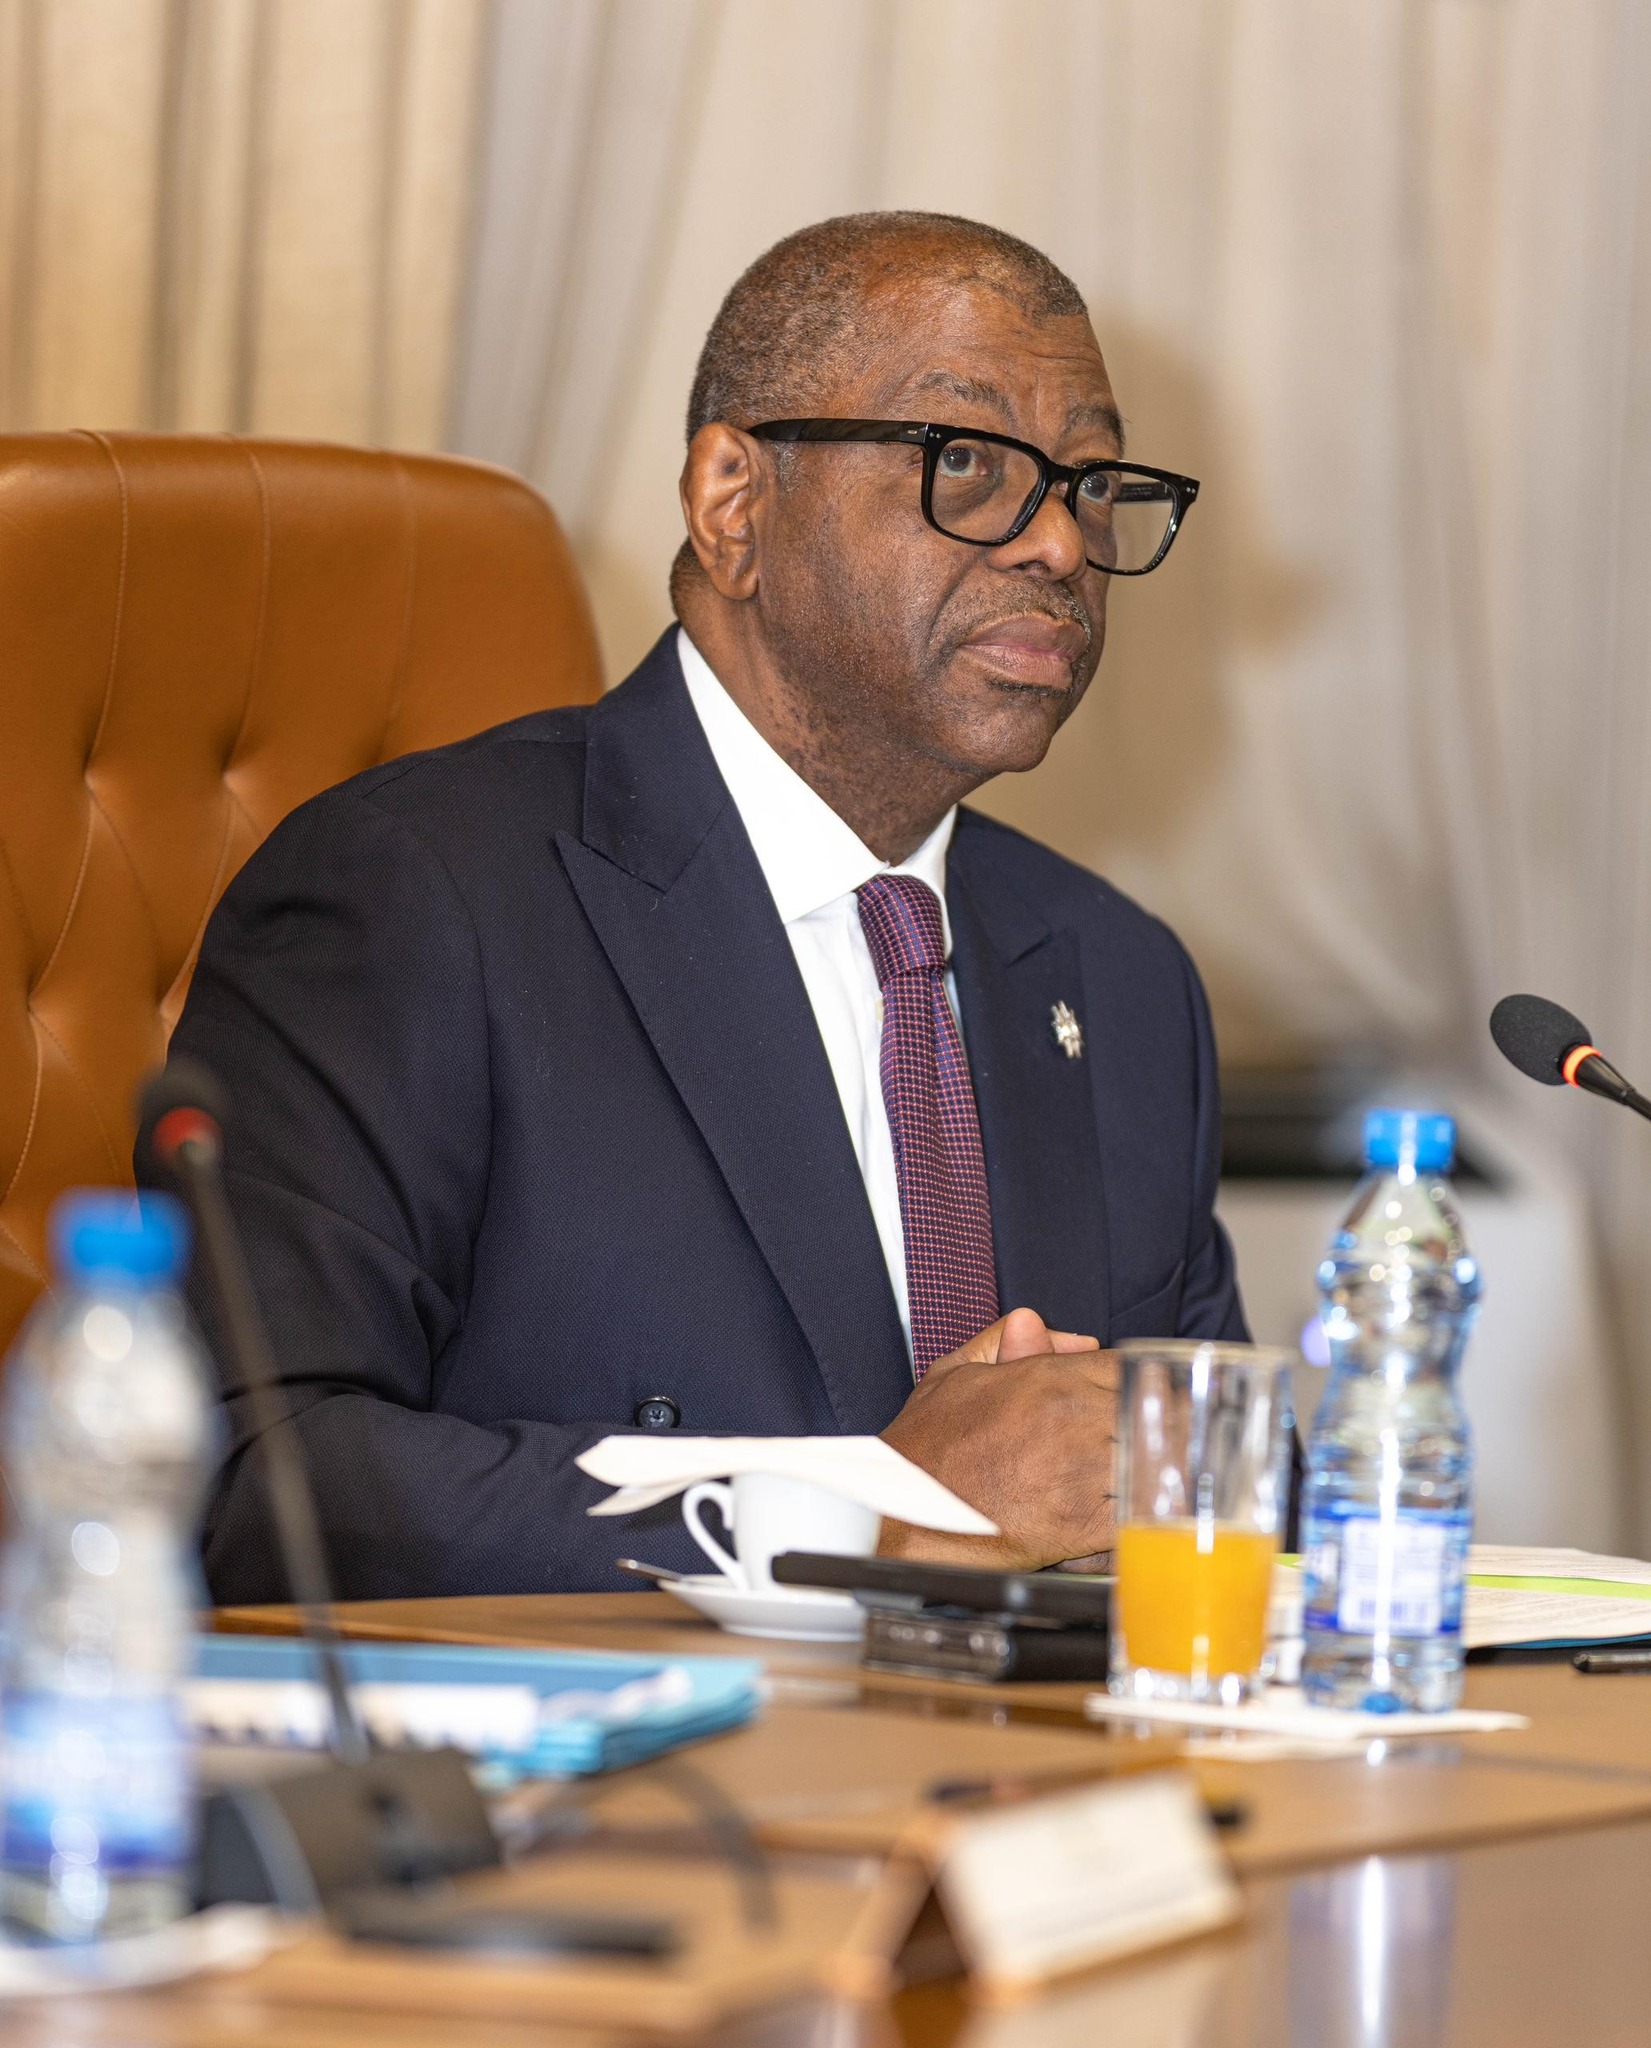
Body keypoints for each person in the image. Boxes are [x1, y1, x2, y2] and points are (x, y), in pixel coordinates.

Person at [159, 211, 1246, 1602]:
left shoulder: (1118, 976)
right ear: (734, 503)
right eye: (967, 462)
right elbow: (252, 1477)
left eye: (1092, 486)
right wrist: (868, 1521)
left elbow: (1217, 1484)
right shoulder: (417, 895)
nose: (1057, 544)